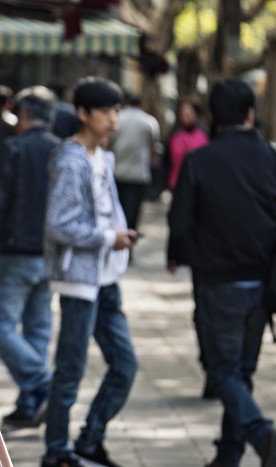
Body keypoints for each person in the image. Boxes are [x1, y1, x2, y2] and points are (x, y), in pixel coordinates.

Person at [168, 78, 276, 467]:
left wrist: (185, 253)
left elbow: (178, 222)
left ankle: (262, 434)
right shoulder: (271, 157)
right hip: (263, 285)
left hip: (219, 282)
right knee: (241, 371)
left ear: (212, 116)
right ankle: (228, 454)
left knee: (223, 370)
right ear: (250, 113)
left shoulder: (201, 160)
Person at [43, 77, 138, 467]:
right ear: (83, 113)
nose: (113, 118)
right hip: (80, 278)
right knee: (70, 368)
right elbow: (58, 224)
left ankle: (89, 439)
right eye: (105, 110)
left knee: (125, 363)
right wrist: (106, 237)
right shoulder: (71, 160)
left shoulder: (103, 157)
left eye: (116, 110)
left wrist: (117, 239)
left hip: (106, 275)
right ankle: (57, 452)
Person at [0, 86, 60, 428]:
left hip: (16, 252)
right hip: (50, 255)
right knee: (38, 328)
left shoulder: (13, 148)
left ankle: (41, 383)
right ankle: (30, 404)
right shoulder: (62, 150)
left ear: (23, 115)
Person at [164, 97, 211, 398]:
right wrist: (174, 252)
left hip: (199, 208)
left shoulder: (202, 140)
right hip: (179, 195)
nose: (185, 114)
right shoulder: (175, 138)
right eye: (182, 111)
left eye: (189, 110)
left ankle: (215, 370)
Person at [110, 92, 160, 234]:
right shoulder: (149, 121)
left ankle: (117, 240)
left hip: (117, 171)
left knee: (115, 212)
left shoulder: (118, 119)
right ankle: (128, 242)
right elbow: (153, 148)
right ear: (141, 105)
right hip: (139, 174)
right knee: (132, 214)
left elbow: (108, 143)